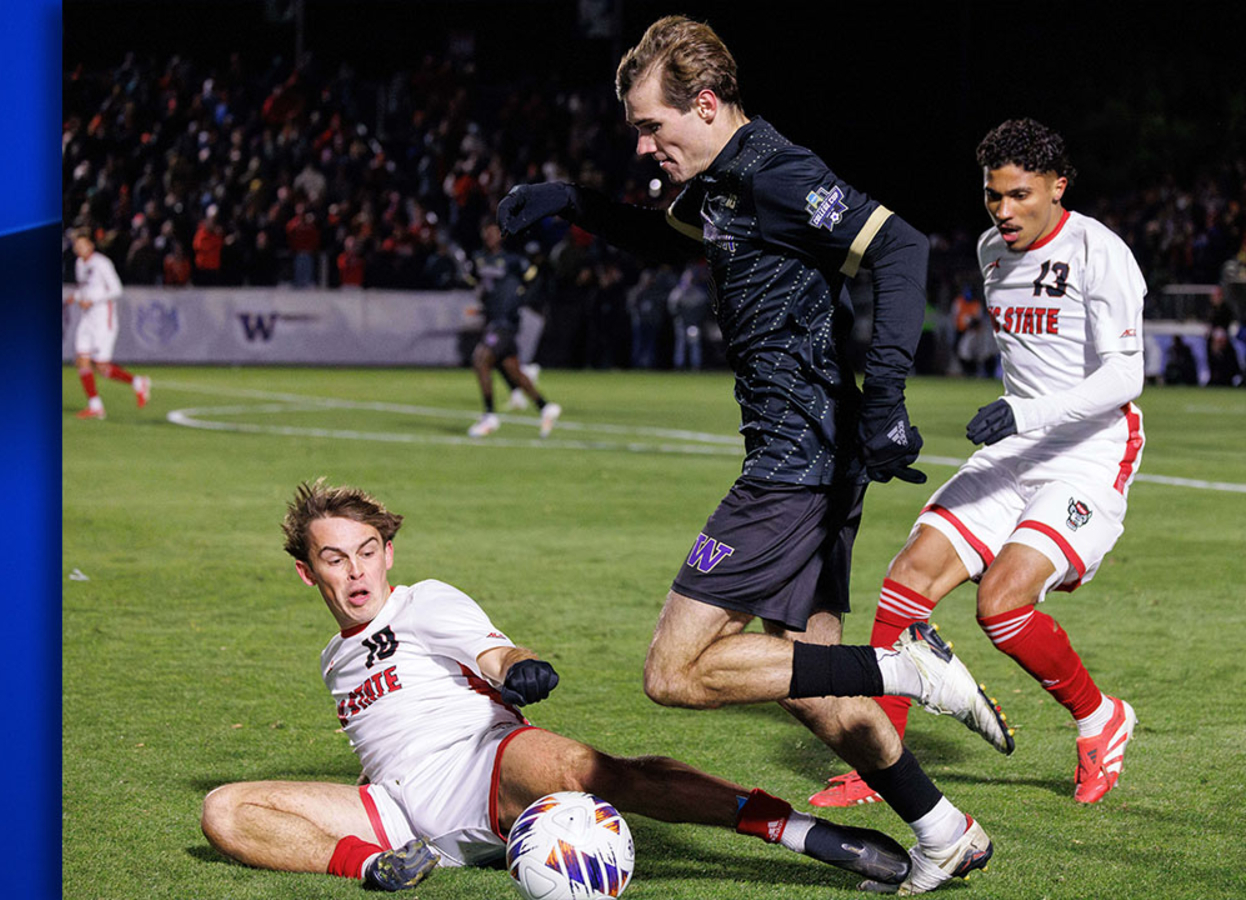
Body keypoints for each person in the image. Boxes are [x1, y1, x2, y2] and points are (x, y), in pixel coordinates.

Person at [497, 17, 1007, 893]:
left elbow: (900, 245)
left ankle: (909, 669)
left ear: (705, 104)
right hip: (807, 459)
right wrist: (575, 204)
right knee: (808, 682)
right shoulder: (717, 186)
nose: (644, 146)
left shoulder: (777, 173)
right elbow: (669, 238)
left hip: (794, 463)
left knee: (674, 671)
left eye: (652, 126)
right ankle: (944, 831)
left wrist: (886, 396)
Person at [199, 480, 917, 891]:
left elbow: (491, 651)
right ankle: (380, 870)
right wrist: (373, 805)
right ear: (308, 573)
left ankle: (799, 831)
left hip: (483, 769)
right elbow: (387, 735)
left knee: (587, 770)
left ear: (388, 553)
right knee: (226, 810)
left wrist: (518, 669)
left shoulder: (423, 603)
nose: (356, 571)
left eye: (366, 552)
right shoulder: (335, 658)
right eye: (335, 559)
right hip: (396, 813)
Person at [811, 119, 1146, 809]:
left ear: (1058, 187)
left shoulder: (1100, 252)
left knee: (1001, 604)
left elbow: (1126, 376)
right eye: (993, 195)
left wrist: (1027, 412)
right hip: (1019, 446)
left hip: (1088, 453)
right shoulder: (992, 250)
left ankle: (1099, 718)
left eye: (1020, 194)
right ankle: (880, 766)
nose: (1003, 210)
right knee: (905, 582)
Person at [463, 221, 561, 438]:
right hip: (493, 320)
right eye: (487, 232)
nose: (490, 236)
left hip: (505, 323)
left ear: (502, 236)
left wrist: (521, 299)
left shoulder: (513, 260)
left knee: (480, 360)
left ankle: (489, 416)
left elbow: (534, 278)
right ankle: (545, 407)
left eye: (494, 232)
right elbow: (473, 281)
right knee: (512, 370)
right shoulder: (478, 259)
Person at [66, 231, 149, 419]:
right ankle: (95, 406)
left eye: (83, 244)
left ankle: (138, 382)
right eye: (77, 246)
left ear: (91, 245)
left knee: (102, 366)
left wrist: (92, 301)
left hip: (104, 319)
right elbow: (85, 288)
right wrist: (76, 297)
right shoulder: (80, 264)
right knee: (82, 360)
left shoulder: (102, 263)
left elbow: (116, 289)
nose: (79, 248)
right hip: (87, 318)